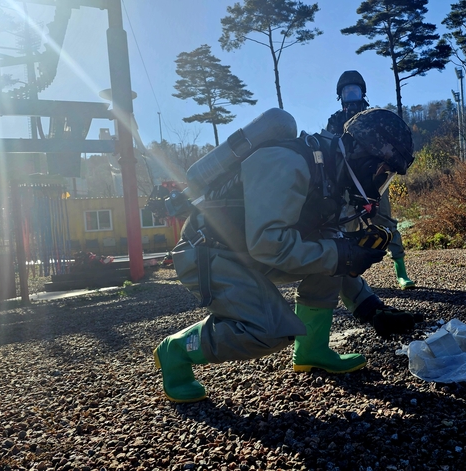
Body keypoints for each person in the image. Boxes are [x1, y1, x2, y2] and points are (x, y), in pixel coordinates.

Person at [154, 108, 418, 403]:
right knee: (269, 331)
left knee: (333, 251)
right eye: (383, 171)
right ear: (360, 154)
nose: (380, 184)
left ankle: (312, 350)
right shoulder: (287, 162)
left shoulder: (331, 178)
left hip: (244, 251)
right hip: (208, 254)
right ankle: (176, 350)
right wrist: (341, 254)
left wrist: (370, 307)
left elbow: (329, 251)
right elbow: (270, 244)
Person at [327, 70, 416, 289]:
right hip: (345, 180)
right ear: (341, 96)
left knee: (384, 219)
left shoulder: (373, 117)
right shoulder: (335, 121)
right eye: (347, 92)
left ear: (362, 93)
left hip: (373, 179)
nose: (351, 95)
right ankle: (349, 276)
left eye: (354, 90)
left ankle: (401, 271)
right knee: (345, 223)